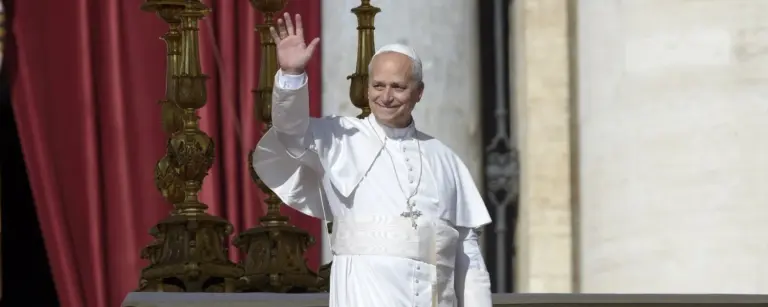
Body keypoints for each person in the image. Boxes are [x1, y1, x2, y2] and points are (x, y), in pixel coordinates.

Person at [253, 12, 492, 307]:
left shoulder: (445, 159)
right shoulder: (338, 138)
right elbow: (290, 133)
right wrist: (291, 75)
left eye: (398, 87)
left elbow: (468, 259)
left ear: (419, 93)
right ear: (367, 88)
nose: (386, 96)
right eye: (378, 86)